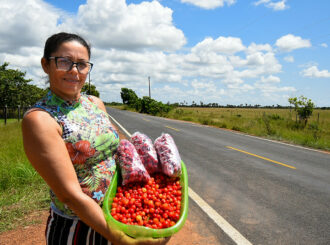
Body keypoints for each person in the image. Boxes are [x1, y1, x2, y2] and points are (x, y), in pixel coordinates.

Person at [22, 32, 169, 245]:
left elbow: (118, 154)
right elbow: (69, 196)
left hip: (116, 213)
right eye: (64, 61)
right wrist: (122, 240)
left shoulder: (95, 103)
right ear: (46, 65)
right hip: (77, 226)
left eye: (81, 64)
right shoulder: (41, 119)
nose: (74, 70)